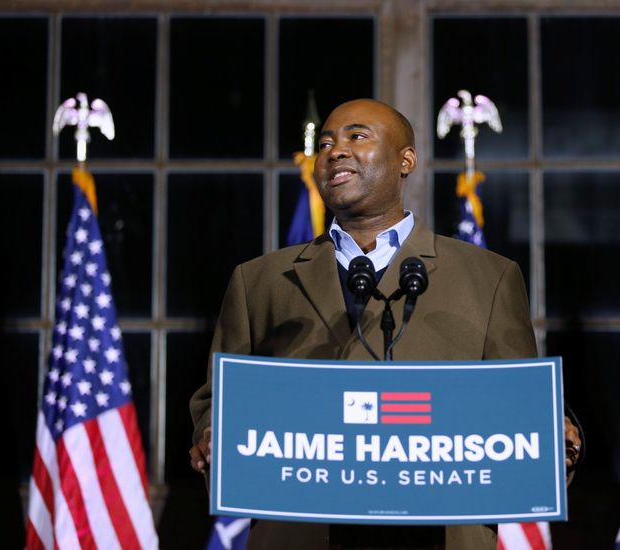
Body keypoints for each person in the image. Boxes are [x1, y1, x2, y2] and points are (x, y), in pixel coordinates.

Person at [189, 99, 583, 550]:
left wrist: (559, 435)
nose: (335, 151)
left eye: (357, 136)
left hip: (441, 533)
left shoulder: (489, 277)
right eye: (325, 143)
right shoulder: (258, 281)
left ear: (406, 160)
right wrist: (211, 432)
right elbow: (218, 400)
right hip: (304, 532)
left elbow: (519, 400)